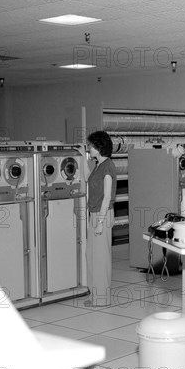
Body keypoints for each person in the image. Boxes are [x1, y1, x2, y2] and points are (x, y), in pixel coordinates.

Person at [81, 130, 117, 307]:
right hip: (94, 213)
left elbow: (107, 196)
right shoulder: (98, 164)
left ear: (98, 147)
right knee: (92, 256)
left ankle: (102, 298)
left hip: (102, 214)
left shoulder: (108, 166)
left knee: (101, 258)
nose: (89, 148)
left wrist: (101, 222)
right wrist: (83, 156)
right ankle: (95, 294)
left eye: (90, 146)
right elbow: (86, 177)